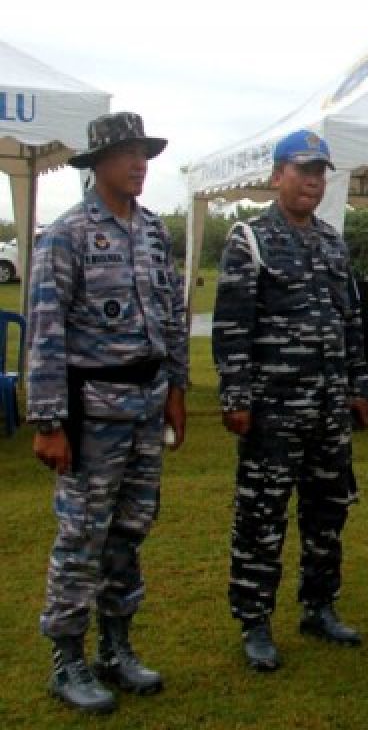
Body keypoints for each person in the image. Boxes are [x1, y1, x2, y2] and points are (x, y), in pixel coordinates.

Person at [28, 112, 188, 713]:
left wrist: (177, 388)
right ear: (98, 165)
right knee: (82, 537)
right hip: (91, 412)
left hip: (146, 408)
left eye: (144, 153)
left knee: (130, 532)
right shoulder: (66, 236)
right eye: (126, 154)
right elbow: (44, 332)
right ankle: (68, 659)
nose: (139, 163)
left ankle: (116, 648)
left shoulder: (152, 232)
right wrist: (48, 423)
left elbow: (172, 317)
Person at [212, 129, 368, 672]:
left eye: (320, 172)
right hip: (274, 410)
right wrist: (236, 397)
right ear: (278, 175)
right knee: (262, 516)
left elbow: (350, 322)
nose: (312, 181)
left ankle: (318, 606)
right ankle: (254, 621)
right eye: (302, 170)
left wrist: (358, 387)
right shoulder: (249, 240)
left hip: (328, 408)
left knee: (327, 513)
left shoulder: (332, 242)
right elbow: (232, 327)